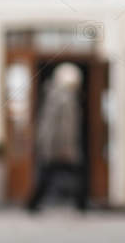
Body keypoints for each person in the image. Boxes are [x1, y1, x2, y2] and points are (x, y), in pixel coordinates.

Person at [25, 62, 87, 212]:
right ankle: (33, 204)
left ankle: (81, 204)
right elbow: (53, 125)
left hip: (61, 146)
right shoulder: (60, 97)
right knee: (54, 175)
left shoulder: (63, 95)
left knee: (55, 175)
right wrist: (51, 147)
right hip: (60, 147)